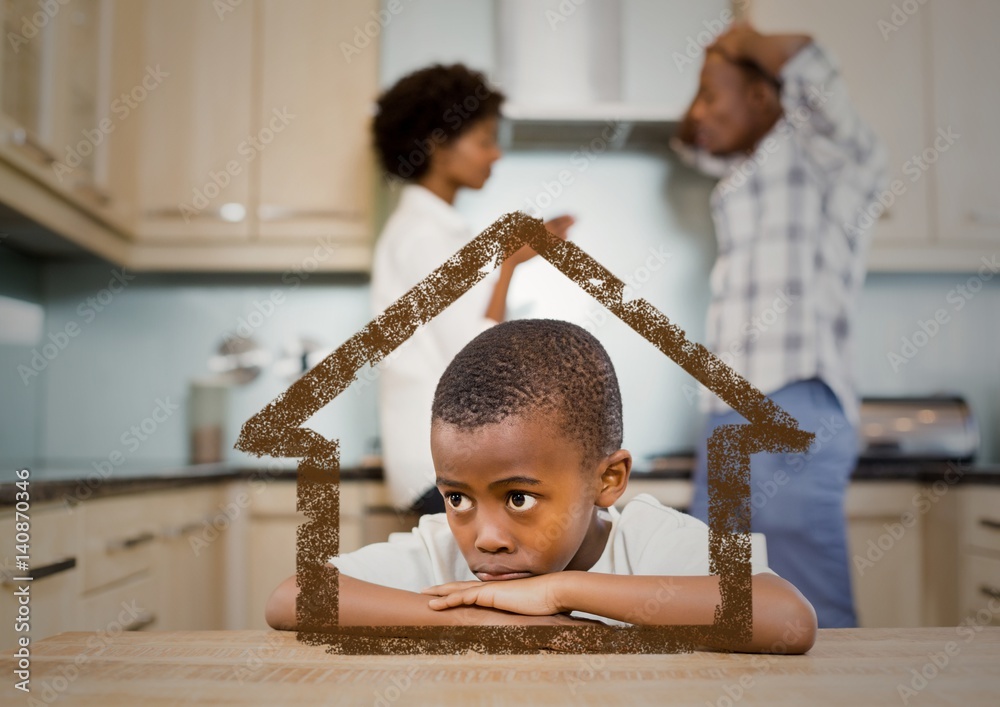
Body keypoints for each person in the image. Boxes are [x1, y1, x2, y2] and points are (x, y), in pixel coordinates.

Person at [266, 319, 817, 653]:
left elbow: (786, 620)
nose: (486, 538)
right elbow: (292, 598)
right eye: (457, 497)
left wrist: (559, 593)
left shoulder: (649, 543)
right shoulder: (440, 550)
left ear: (608, 479)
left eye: (518, 498)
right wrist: (480, 622)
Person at [671, 23, 888, 628]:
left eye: (711, 95)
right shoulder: (739, 174)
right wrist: (714, 76)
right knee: (723, 606)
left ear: (766, 99)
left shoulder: (820, 162)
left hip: (789, 399)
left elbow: (807, 66)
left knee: (807, 604)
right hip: (730, 412)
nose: (699, 112)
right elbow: (692, 139)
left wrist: (742, 41)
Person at [370, 63, 574, 517]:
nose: (496, 154)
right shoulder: (423, 236)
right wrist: (508, 265)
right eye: (484, 140)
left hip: (442, 463)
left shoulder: (430, 230)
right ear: (438, 146)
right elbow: (474, 360)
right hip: (440, 468)